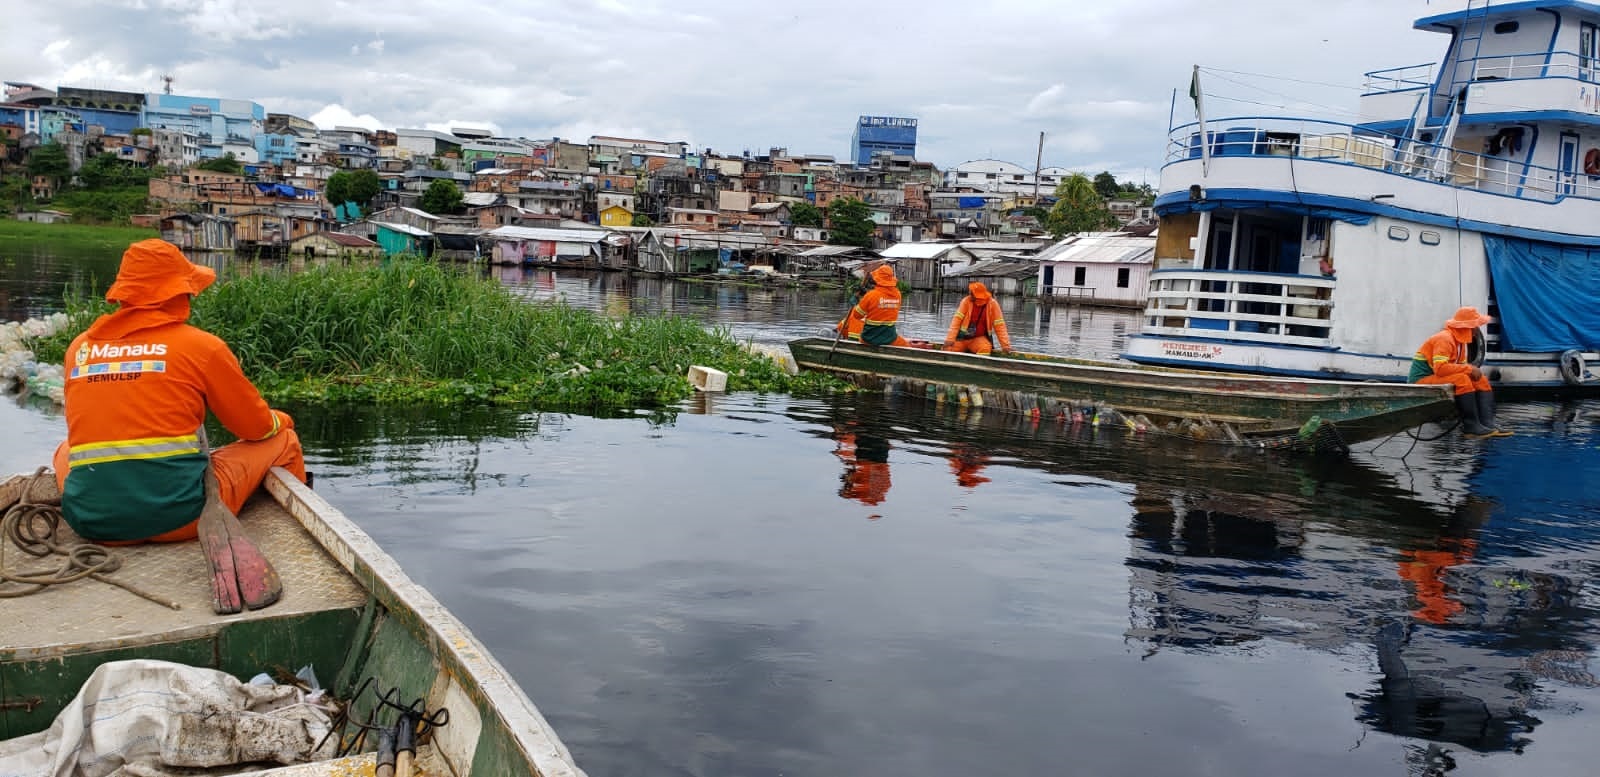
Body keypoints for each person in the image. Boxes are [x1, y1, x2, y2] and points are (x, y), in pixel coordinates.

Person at [51, 239, 307, 543]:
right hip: (184, 517)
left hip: (92, 524)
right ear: (179, 292)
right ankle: (293, 538)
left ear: (124, 295)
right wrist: (281, 420)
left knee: (67, 449)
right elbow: (256, 428)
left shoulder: (78, 349)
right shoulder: (202, 347)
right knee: (284, 440)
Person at [1407, 306, 1512, 438]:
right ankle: (1470, 426)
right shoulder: (1444, 339)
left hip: (1436, 377)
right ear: (1466, 327)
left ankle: (1488, 424)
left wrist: (1471, 371)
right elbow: (1440, 369)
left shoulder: (1460, 343)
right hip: (1421, 379)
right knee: (1462, 379)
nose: (1476, 330)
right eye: (1475, 326)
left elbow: (1459, 366)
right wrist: (1469, 368)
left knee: (1481, 379)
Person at [837, 262, 907, 346]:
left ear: (877, 279)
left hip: (869, 339)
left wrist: (855, 304)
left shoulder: (871, 295)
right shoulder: (897, 295)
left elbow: (857, 315)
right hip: (889, 338)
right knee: (906, 346)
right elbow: (882, 301)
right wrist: (866, 294)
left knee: (852, 317)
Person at [943, 281, 1012, 355]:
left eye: (972, 293)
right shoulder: (966, 301)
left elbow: (1000, 326)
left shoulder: (992, 304)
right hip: (962, 339)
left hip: (978, 339)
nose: (970, 294)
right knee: (947, 349)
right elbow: (956, 321)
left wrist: (1005, 346)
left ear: (977, 296)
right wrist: (950, 339)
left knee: (985, 349)